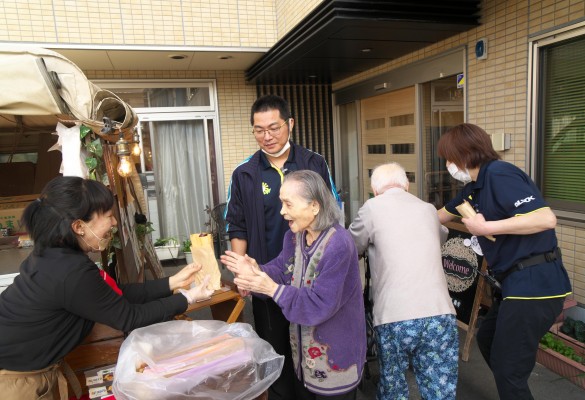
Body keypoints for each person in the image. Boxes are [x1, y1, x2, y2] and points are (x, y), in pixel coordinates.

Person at [0, 176, 214, 400]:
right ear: (79, 226)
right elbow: (129, 317)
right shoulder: (70, 271)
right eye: (109, 216)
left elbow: (110, 296)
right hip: (16, 382)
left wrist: (172, 283)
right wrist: (188, 297)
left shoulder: (56, 255)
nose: (114, 223)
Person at [436, 123, 572, 400]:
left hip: (535, 284)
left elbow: (545, 218)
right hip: (513, 284)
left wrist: (486, 228)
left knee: (509, 368)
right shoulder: (474, 188)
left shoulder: (500, 174)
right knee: (488, 340)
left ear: (464, 153)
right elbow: (439, 216)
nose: (448, 165)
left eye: (449, 158)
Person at [225, 94, 339, 400]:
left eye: (274, 128)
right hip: (266, 277)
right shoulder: (244, 173)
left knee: (315, 348)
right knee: (275, 351)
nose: (267, 136)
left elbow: (332, 213)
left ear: (290, 124)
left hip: (310, 280)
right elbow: (237, 225)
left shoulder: (313, 163)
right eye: (259, 130)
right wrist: (242, 272)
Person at [221, 170, 365, 400]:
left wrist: (270, 288)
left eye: (288, 204)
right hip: (305, 358)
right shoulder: (294, 236)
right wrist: (255, 271)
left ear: (314, 206)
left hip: (335, 360)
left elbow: (320, 304)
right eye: (281, 203)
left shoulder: (338, 243)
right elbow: (281, 270)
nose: (282, 211)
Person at [348, 162, 458, 400]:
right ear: (407, 185)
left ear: (374, 190)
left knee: (394, 387)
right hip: (439, 313)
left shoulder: (372, 208)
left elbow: (351, 247)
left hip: (394, 316)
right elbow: (439, 238)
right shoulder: (428, 208)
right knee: (440, 390)